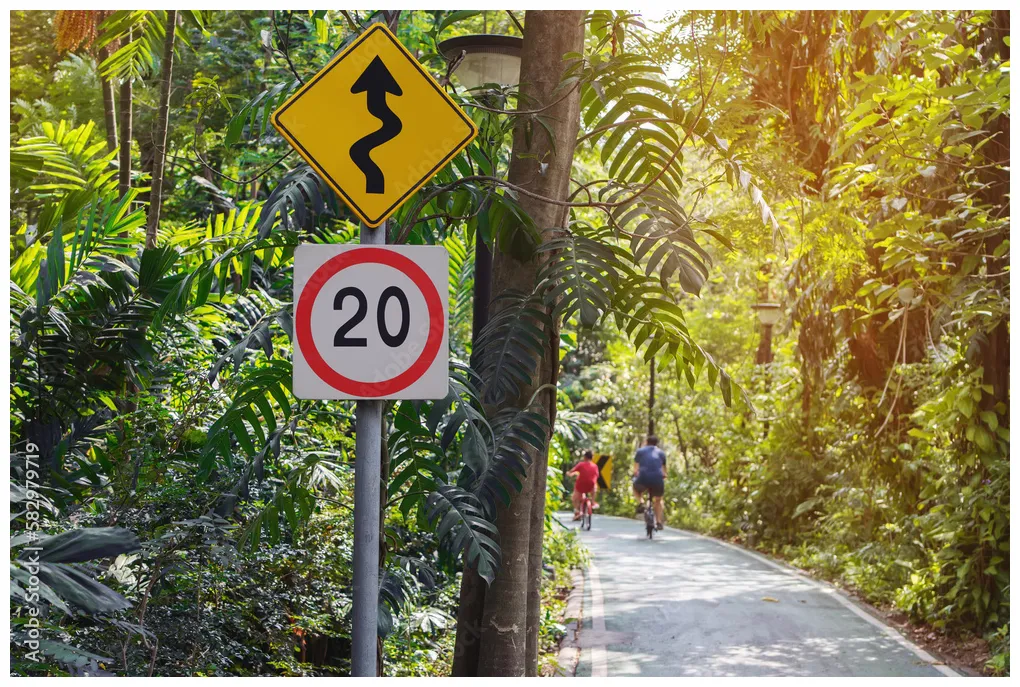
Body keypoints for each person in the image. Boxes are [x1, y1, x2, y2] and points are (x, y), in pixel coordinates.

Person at [633, 436, 667, 530]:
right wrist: (663, 476)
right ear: (657, 443)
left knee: (635, 487)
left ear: (646, 442)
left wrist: (636, 474)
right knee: (658, 500)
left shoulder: (640, 451)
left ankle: (642, 502)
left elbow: (635, 470)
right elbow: (664, 471)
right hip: (657, 480)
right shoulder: (661, 453)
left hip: (643, 478)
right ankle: (659, 522)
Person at [567, 450, 600, 521]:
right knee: (594, 485)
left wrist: (569, 473)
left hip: (580, 486)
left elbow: (572, 471)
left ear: (585, 457)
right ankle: (593, 501)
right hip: (591, 486)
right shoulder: (595, 466)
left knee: (575, 498)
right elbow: (596, 476)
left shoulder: (581, 464)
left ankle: (577, 511)